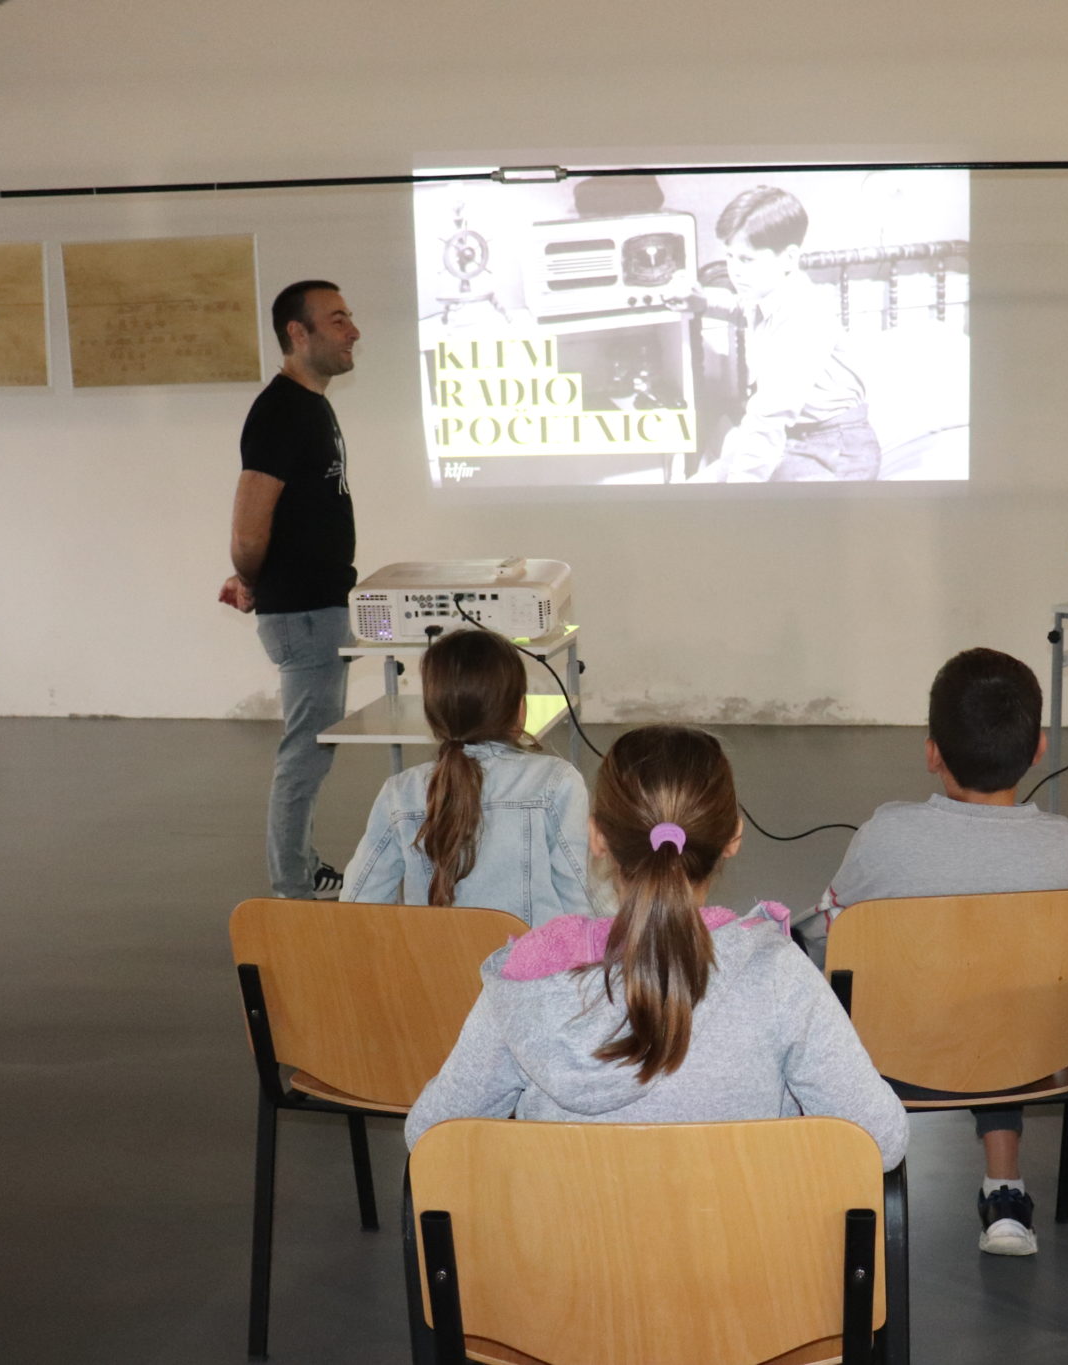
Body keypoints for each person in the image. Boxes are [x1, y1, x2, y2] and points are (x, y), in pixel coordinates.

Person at [404, 724, 908, 1172]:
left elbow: (430, 1137)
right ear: (733, 836)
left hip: (566, 1251)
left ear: (596, 837)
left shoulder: (531, 978)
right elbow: (881, 1142)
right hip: (739, 1250)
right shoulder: (778, 975)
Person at [799, 647, 1068, 1257]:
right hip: (1028, 1053)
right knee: (1001, 993)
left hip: (904, 1052)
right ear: (1039, 748)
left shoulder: (887, 837)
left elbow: (828, 939)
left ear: (932, 752)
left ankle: (832, 1177)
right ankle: (1005, 1190)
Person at [219, 280, 362, 899]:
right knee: (305, 752)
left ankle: (300, 867)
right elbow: (249, 526)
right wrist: (250, 577)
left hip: (315, 607)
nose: (353, 331)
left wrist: (251, 574)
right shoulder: (281, 411)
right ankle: (292, 885)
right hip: (303, 614)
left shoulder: (311, 405)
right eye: (337, 320)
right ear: (297, 333)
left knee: (310, 749)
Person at [340, 628, 593, 924]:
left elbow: (356, 905)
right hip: (532, 956)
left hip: (433, 956)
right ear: (519, 708)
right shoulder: (557, 782)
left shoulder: (400, 792)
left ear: (433, 715)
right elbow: (580, 898)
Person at [675, 186, 880, 483]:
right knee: (702, 484)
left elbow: (770, 416)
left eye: (746, 260)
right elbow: (742, 309)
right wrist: (703, 302)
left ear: (789, 258)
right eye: (730, 256)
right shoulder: (769, 293)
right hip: (795, 438)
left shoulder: (804, 315)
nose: (734, 271)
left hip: (837, 448)